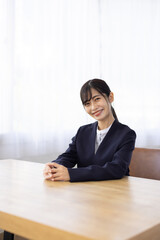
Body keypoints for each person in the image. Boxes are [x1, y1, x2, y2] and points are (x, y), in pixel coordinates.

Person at [43, 78, 136, 182]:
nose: (93, 107)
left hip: (115, 193)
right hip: (86, 192)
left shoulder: (126, 134)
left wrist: (71, 174)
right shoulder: (82, 131)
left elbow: (116, 169)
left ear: (110, 97)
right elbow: (68, 156)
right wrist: (54, 167)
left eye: (97, 99)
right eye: (87, 103)